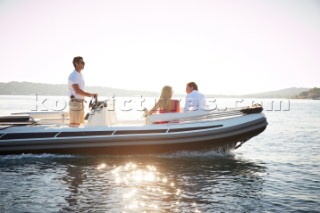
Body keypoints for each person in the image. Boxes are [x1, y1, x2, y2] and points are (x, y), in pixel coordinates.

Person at [68, 56, 97, 127]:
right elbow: (77, 91)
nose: (84, 64)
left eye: (84, 63)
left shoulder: (79, 75)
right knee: (75, 125)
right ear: (76, 63)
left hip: (80, 103)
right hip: (75, 103)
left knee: (80, 124)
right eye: (82, 62)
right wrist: (90, 95)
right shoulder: (73, 76)